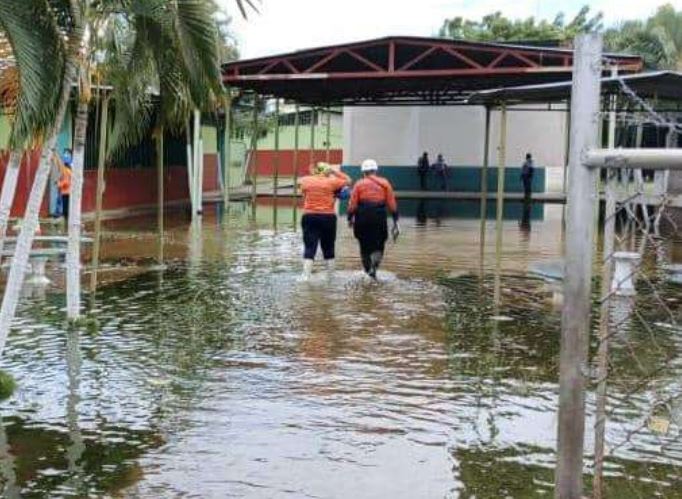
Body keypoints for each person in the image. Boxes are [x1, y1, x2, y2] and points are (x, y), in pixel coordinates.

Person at [297, 161, 351, 280]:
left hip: (309, 216)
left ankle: (305, 277)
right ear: (327, 171)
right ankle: (331, 277)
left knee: (310, 246)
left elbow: (302, 194)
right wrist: (334, 171)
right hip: (328, 217)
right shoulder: (332, 182)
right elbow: (348, 180)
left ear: (316, 170)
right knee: (329, 247)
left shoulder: (305, 180)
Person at [347, 159, 400, 279]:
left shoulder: (359, 184)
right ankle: (374, 269)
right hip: (379, 216)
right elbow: (392, 203)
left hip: (362, 217)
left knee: (364, 245)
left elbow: (353, 204)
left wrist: (350, 218)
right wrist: (396, 220)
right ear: (376, 170)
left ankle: (367, 271)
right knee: (379, 244)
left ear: (363, 172)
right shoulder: (385, 183)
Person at [57, 149, 73, 223]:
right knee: (67, 207)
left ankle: (66, 221)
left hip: (66, 191)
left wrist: (59, 184)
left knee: (66, 209)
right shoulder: (70, 168)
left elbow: (66, 182)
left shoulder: (66, 170)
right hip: (68, 191)